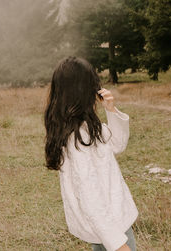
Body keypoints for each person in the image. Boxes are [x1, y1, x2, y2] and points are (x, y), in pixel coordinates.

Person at [44, 56, 139, 251]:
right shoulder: (75, 138)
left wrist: (111, 111)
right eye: (92, 83)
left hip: (112, 224)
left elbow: (118, 144)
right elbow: (89, 196)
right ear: (81, 91)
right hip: (111, 229)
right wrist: (119, 245)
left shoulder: (87, 125)